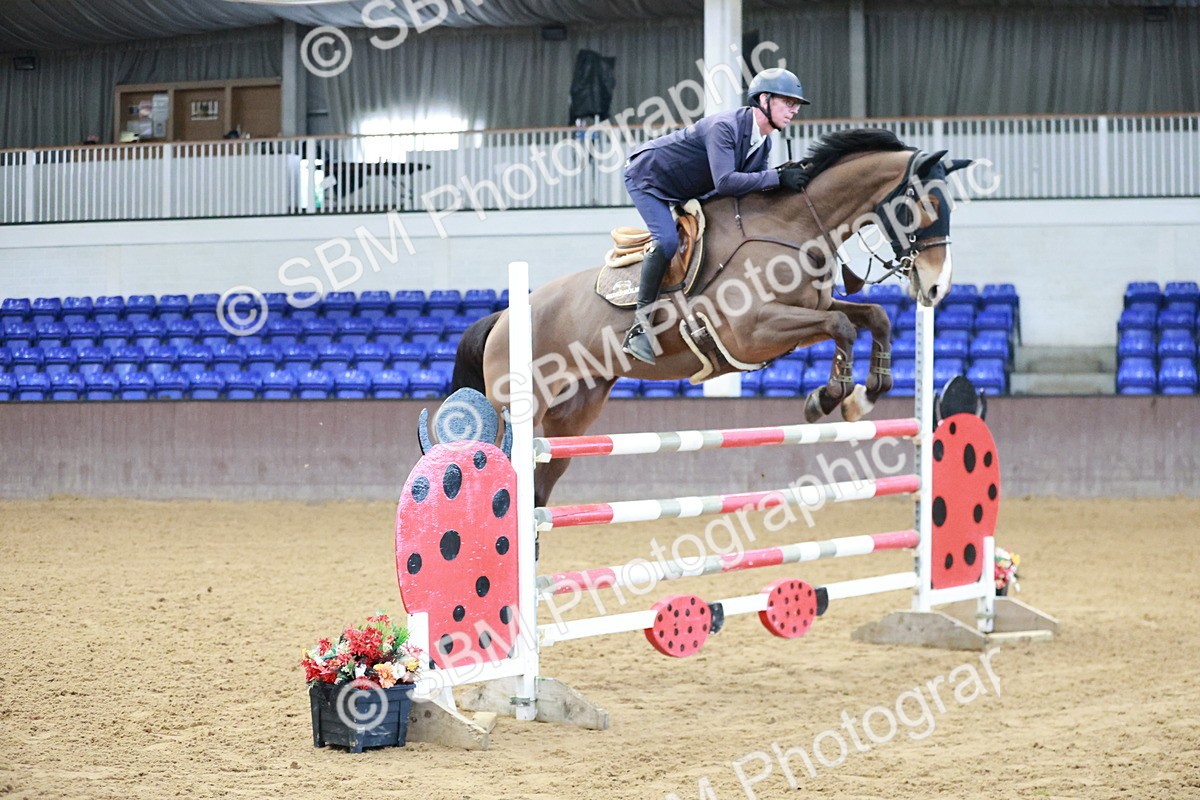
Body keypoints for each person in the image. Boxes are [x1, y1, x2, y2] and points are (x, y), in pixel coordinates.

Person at [620, 67, 811, 364]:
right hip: (649, 179)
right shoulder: (725, 127)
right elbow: (725, 182)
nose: (794, 110)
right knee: (668, 242)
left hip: (691, 189)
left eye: (796, 104)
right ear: (764, 99)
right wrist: (776, 177)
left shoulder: (764, 143)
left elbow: (750, 190)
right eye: (788, 102)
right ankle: (640, 328)